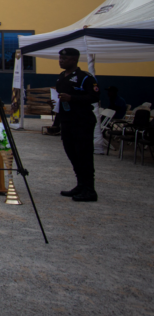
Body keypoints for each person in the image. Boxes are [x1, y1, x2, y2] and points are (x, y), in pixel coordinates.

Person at [53, 47, 99, 202]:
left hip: (82, 121)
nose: (61, 61)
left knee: (84, 155)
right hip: (67, 121)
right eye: (60, 58)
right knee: (72, 154)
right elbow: (61, 99)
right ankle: (80, 185)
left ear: (74, 60)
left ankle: (90, 190)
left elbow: (94, 97)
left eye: (64, 59)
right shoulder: (61, 77)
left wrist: (72, 98)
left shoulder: (85, 78)